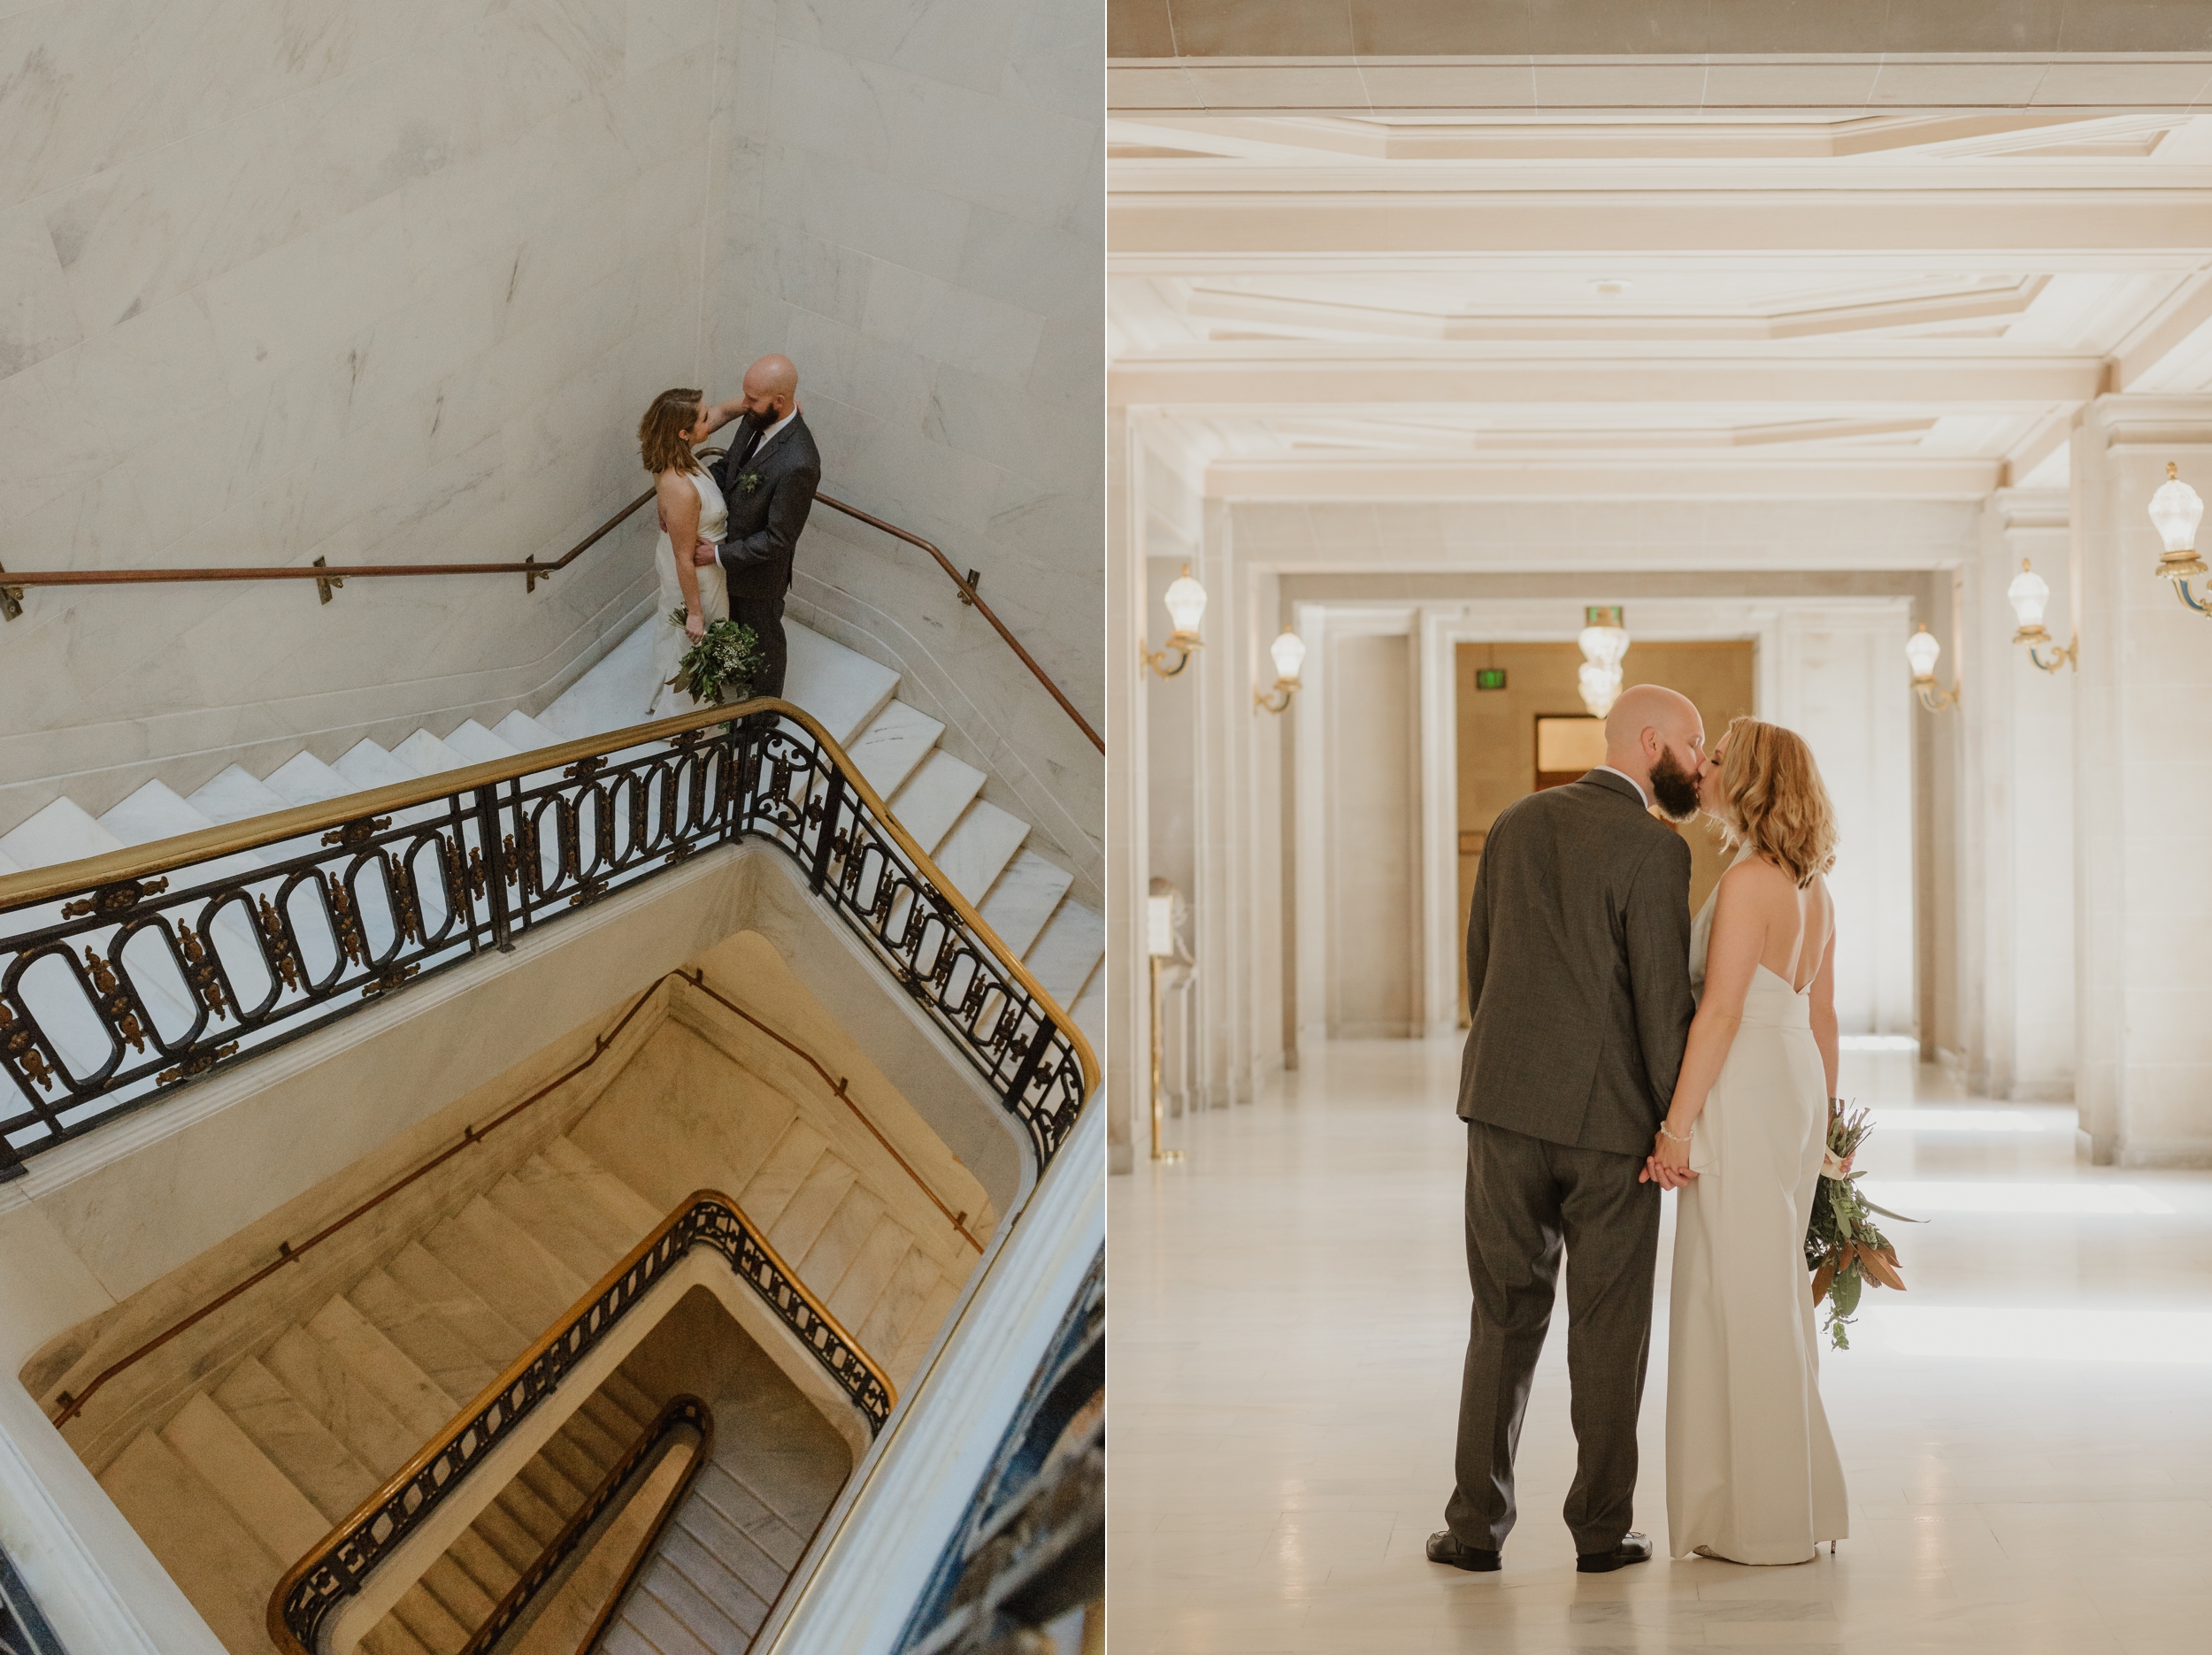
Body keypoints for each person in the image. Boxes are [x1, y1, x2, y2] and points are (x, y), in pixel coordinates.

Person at [1428, 684, 1704, 1576]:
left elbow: (1481, 957)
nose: (1701, 764)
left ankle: (1474, 1526)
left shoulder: (1514, 819)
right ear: (1650, 739)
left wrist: (1507, 1063)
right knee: (1608, 1323)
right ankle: (1599, 1527)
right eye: (1695, 745)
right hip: (1609, 1128)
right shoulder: (1654, 850)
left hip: (1503, 1107)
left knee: (1501, 1314)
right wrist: (1678, 1122)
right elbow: (1662, 1007)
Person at [1651, 716, 1849, 1566]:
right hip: (1795, 1081)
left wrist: (1675, 1124)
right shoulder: (1813, 887)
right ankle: (1781, 1501)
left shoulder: (1746, 884)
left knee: (1738, 1290)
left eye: (1721, 760)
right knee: (1765, 1288)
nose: (1705, 769)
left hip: (1747, 1086)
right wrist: (1829, 1125)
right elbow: (1822, 1015)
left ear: (1755, 780)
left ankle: (1759, 1520)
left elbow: (1722, 1012)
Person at [690, 354, 820, 701]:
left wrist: (716, 554)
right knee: (731, 628)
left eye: (752, 399)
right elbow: (729, 469)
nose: (743, 405)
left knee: (764, 642)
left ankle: (764, 711)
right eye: (745, 395)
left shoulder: (800, 462)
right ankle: (732, 677)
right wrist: (690, 497)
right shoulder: (754, 419)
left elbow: (779, 538)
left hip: (759, 575)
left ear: (779, 402)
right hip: (727, 556)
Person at [636, 387, 732, 718]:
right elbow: (683, 558)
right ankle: (678, 713)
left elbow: (721, 412)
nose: (712, 418)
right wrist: (694, 612)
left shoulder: (667, 453)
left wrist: (750, 403)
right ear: (683, 432)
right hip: (697, 573)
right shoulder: (680, 488)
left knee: (679, 631)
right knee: (696, 638)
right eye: (704, 417)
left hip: (684, 556)